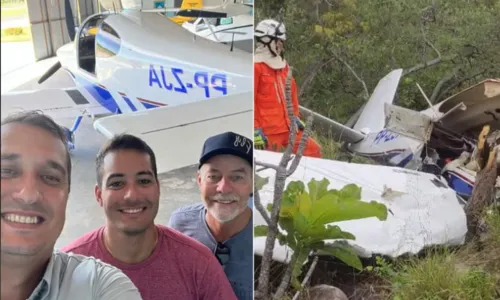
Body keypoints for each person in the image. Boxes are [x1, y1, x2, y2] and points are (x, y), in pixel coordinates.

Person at [60, 133, 237, 300]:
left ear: (158, 188)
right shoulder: (68, 272)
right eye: (117, 183)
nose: (132, 195)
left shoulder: (199, 263)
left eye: (143, 181)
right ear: (99, 195)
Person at [1, 111, 142, 300]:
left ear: (67, 197)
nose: (29, 195)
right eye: (6, 171)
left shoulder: (99, 287)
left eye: (50, 177)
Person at [168, 131, 253, 300]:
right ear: (199, 181)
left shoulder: (265, 236)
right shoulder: (180, 225)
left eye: (237, 177)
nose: (223, 188)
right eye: (213, 177)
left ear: (252, 184)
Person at [254, 19, 322, 158]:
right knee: (269, 167)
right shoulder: (256, 67)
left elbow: (292, 95)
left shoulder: (283, 66)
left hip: (289, 129)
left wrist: (295, 116)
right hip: (267, 133)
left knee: (313, 151)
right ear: (267, 40)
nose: (281, 44)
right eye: (279, 40)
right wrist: (254, 129)